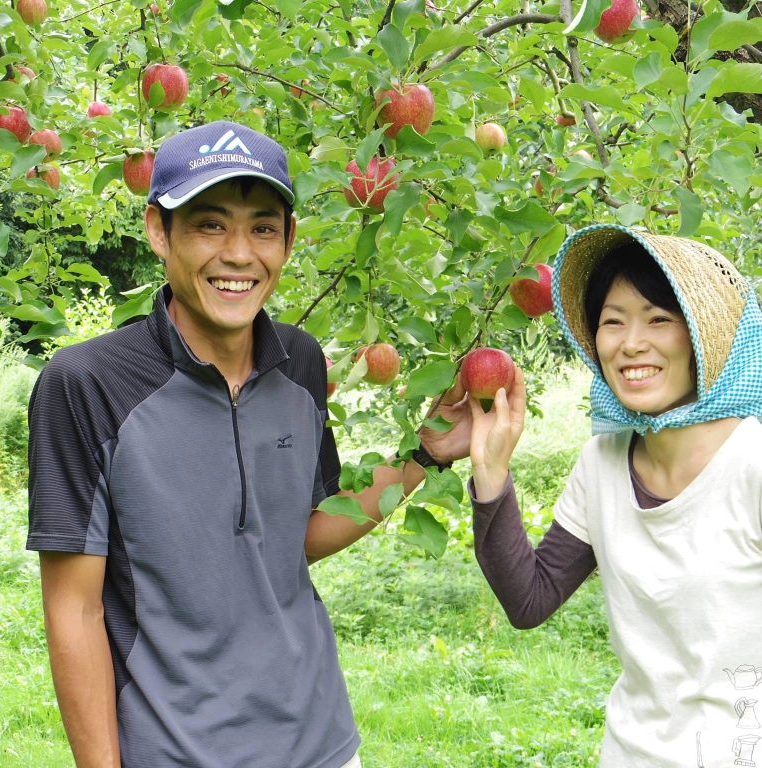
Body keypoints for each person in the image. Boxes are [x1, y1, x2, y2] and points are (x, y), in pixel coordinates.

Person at [26, 120, 470, 767]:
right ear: (158, 230)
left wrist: (424, 454)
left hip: (319, 742)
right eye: (210, 224)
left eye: (263, 227)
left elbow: (300, 536)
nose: (239, 254)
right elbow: (75, 608)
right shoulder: (89, 385)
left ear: (288, 240)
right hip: (178, 751)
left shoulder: (300, 362)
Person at [466, 224, 762, 767]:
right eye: (613, 322)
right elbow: (530, 600)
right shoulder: (602, 463)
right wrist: (491, 473)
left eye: (659, 319)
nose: (631, 343)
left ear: (705, 338)